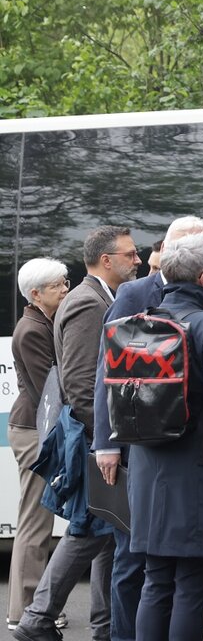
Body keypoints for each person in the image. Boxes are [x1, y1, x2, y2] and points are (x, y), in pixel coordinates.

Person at [92, 217, 203, 634]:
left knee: (156, 579)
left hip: (149, 468)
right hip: (198, 469)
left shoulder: (140, 323)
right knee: (192, 580)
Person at [15, 226, 140, 641]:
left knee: (107, 532)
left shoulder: (93, 298)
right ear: (107, 261)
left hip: (96, 439)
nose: (137, 261)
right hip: (94, 441)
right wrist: (106, 441)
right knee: (89, 530)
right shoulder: (89, 303)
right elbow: (84, 383)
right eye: (130, 254)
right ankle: (37, 619)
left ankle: (104, 626)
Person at [8, 259, 68, 629]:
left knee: (38, 518)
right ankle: (25, 611)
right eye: (59, 285)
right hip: (34, 431)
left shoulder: (42, 322)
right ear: (36, 294)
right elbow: (48, 389)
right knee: (35, 521)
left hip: (36, 428)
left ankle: (33, 607)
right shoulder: (31, 330)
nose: (66, 290)